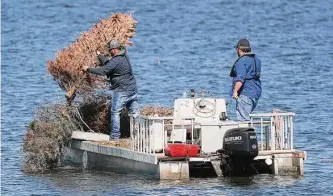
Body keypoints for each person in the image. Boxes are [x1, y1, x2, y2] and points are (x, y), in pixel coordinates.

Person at [82, 40, 139, 140]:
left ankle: (115, 136)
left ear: (114, 50)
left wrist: (88, 69)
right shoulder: (125, 56)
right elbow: (110, 64)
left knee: (115, 112)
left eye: (111, 50)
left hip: (122, 91)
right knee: (134, 114)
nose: (110, 52)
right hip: (132, 89)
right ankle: (138, 135)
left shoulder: (116, 61)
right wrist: (100, 56)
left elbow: (103, 71)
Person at [229, 38, 262, 121]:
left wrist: (235, 91)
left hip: (245, 94)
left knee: (243, 120)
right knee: (246, 117)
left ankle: (248, 133)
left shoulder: (241, 61)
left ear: (238, 49)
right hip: (256, 93)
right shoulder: (256, 59)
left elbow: (240, 79)